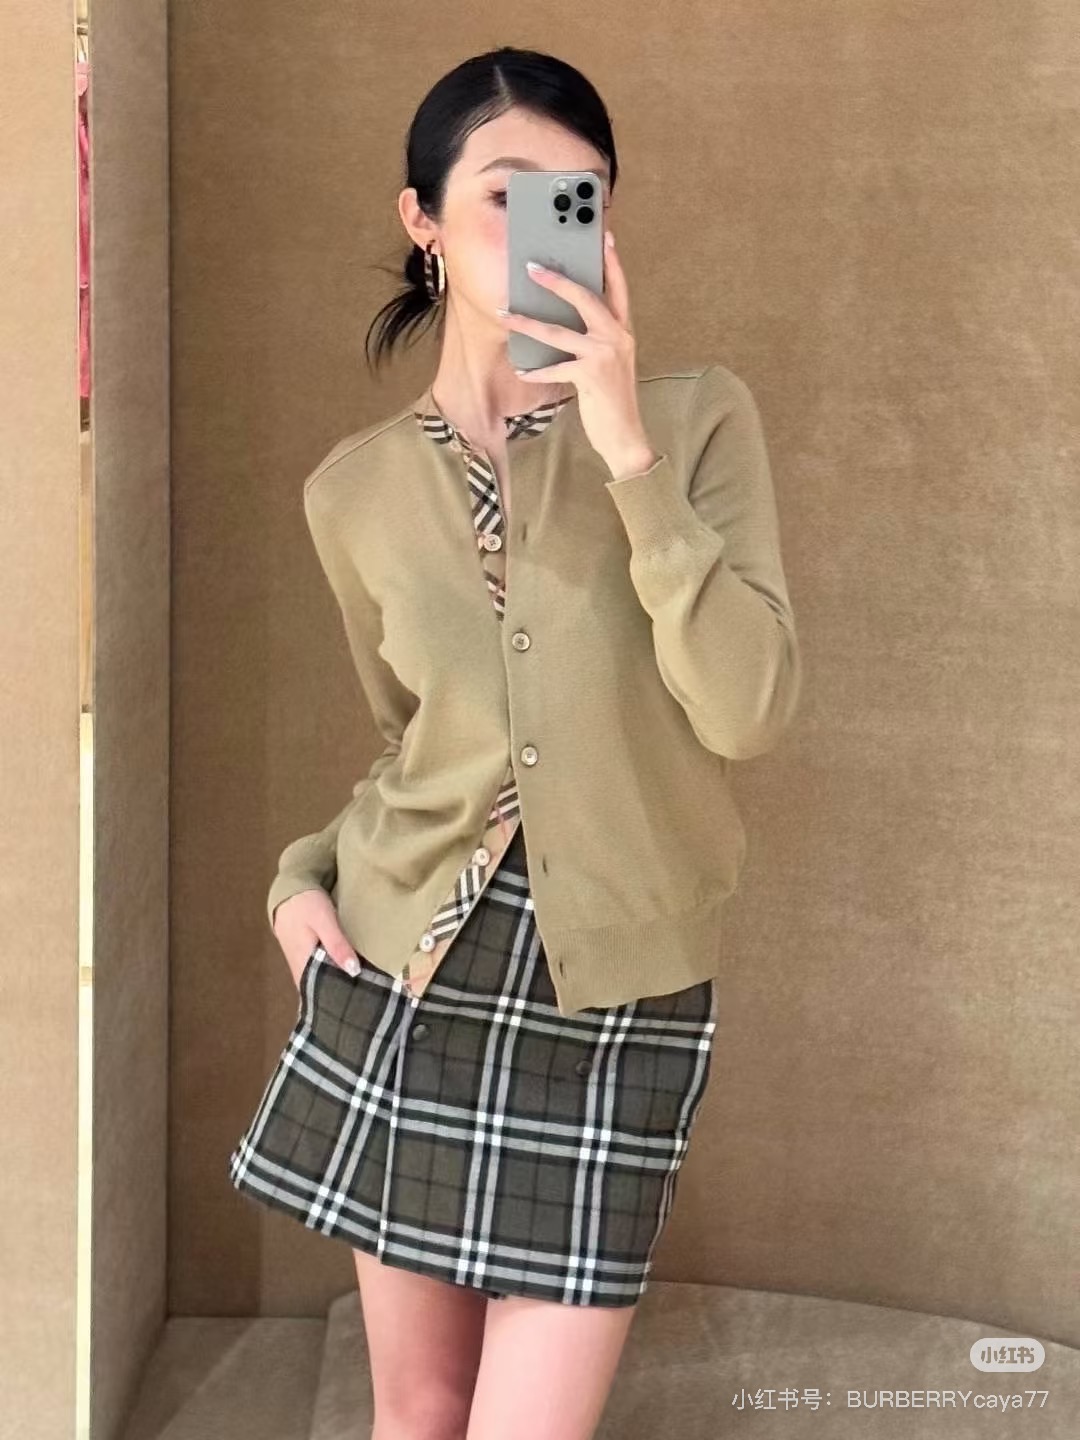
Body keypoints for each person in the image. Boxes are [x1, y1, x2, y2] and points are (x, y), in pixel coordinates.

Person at [228, 44, 801, 1440]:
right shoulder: (354, 492)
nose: (543, 221)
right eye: (504, 191)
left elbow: (748, 708)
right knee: (416, 1415)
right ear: (421, 218)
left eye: (576, 193)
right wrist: (299, 881)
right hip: (407, 978)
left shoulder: (694, 422)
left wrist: (626, 454)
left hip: (615, 1005)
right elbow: (415, 754)